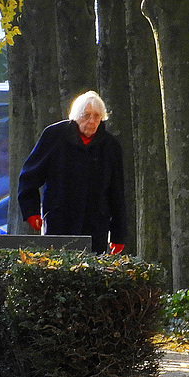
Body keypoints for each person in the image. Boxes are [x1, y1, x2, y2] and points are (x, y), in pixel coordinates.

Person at [17, 90, 127, 254]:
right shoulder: (54, 136)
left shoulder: (110, 146)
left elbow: (117, 192)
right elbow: (30, 175)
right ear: (75, 116)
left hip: (95, 224)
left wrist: (119, 235)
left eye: (97, 116)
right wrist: (31, 211)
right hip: (59, 219)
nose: (91, 121)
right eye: (86, 115)